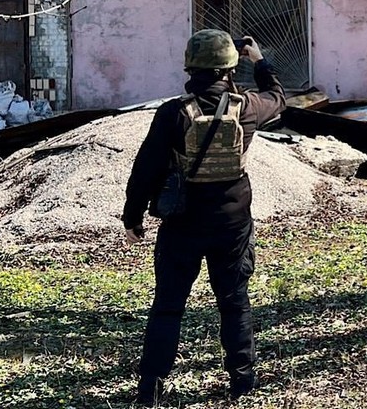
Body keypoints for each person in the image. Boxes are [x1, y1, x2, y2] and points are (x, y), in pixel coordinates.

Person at [122, 29, 286, 407]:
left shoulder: (173, 113)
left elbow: (145, 170)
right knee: (234, 302)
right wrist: (259, 61)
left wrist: (133, 218)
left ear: (190, 67)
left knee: (168, 305)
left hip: (182, 224)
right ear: (230, 66)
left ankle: (150, 389)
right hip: (232, 224)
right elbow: (279, 97)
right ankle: (242, 384)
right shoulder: (245, 107)